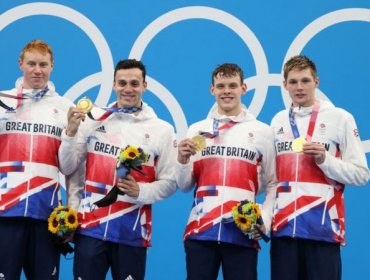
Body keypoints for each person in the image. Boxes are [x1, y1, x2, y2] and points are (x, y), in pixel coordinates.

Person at [59, 59, 177, 280]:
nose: (128, 89)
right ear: (114, 85)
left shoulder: (162, 130)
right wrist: (71, 132)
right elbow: (68, 167)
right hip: (90, 228)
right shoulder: (92, 120)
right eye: (122, 83)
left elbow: (170, 183)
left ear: (145, 85)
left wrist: (140, 192)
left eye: (134, 83)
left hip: (131, 231)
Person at [270, 55, 370, 280]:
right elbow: (271, 179)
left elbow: (361, 174)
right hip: (284, 230)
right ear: (284, 85)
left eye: (305, 81)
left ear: (316, 82)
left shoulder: (340, 118)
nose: (299, 87)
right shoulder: (277, 121)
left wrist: (326, 160)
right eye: (293, 82)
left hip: (323, 229)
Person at [176, 63, 277, 280]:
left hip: (242, 232)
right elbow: (185, 185)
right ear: (212, 90)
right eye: (221, 86)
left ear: (244, 88)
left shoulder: (262, 132)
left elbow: (273, 183)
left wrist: (264, 221)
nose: (227, 91)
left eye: (232, 85)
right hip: (200, 231)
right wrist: (182, 160)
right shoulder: (197, 130)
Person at [0, 40, 73, 279]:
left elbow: (69, 167)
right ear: (21, 64)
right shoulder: (3, 103)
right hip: (5, 211)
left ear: (52, 66)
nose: (37, 70)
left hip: (46, 214)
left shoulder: (64, 108)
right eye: (31, 63)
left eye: (43, 64)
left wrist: (72, 133)